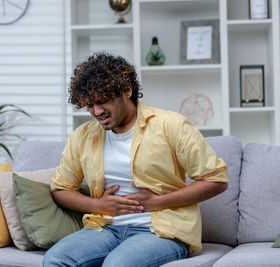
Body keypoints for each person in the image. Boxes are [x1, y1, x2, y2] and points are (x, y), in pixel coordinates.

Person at [43, 52, 228, 267]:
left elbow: (216, 180)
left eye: (102, 101)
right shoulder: (83, 136)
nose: (97, 111)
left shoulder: (171, 125)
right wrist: (98, 205)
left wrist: (158, 202)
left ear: (127, 90)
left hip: (161, 231)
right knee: (55, 260)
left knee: (117, 265)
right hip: (106, 228)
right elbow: (60, 190)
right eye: (89, 105)